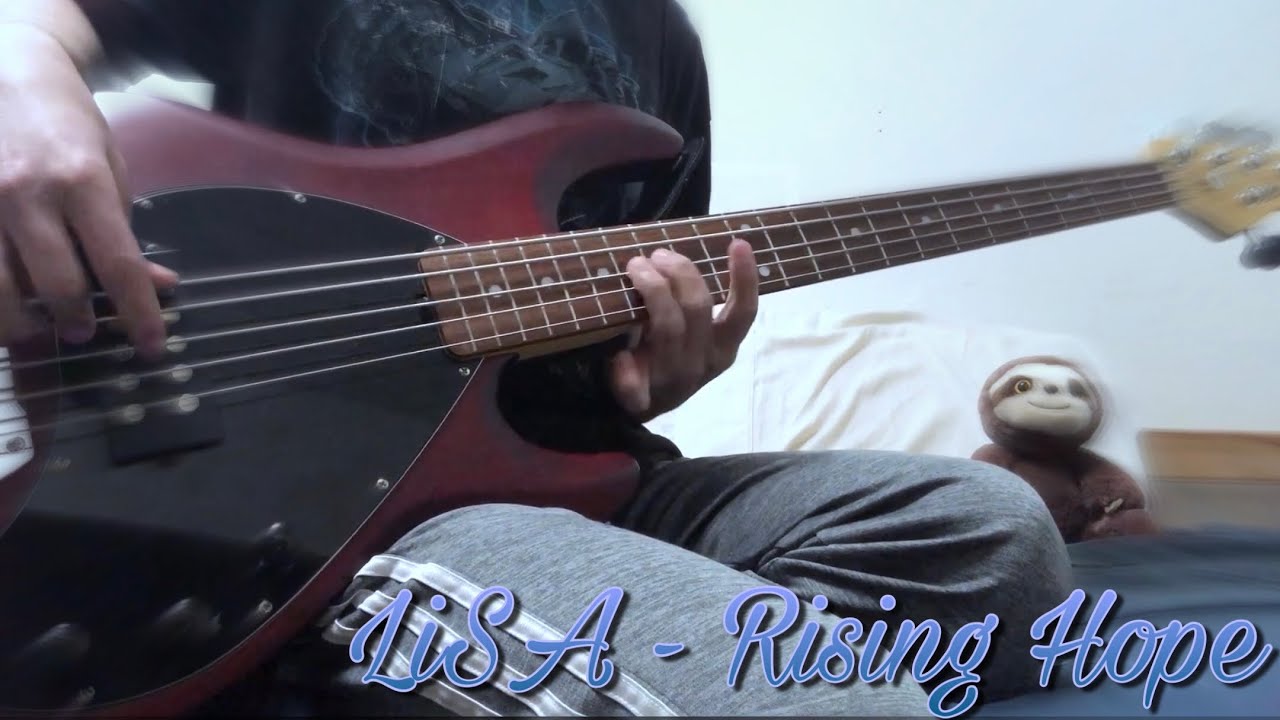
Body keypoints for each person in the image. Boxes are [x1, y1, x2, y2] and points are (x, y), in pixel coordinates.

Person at [0, 1, 1072, 716]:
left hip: (560, 480)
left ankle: (423, 665)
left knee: (994, 537)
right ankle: (317, 625)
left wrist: (663, 375)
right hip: (340, 505)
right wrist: (25, 76)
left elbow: (624, 338)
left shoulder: (660, 39)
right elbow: (53, 22)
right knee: (824, 700)